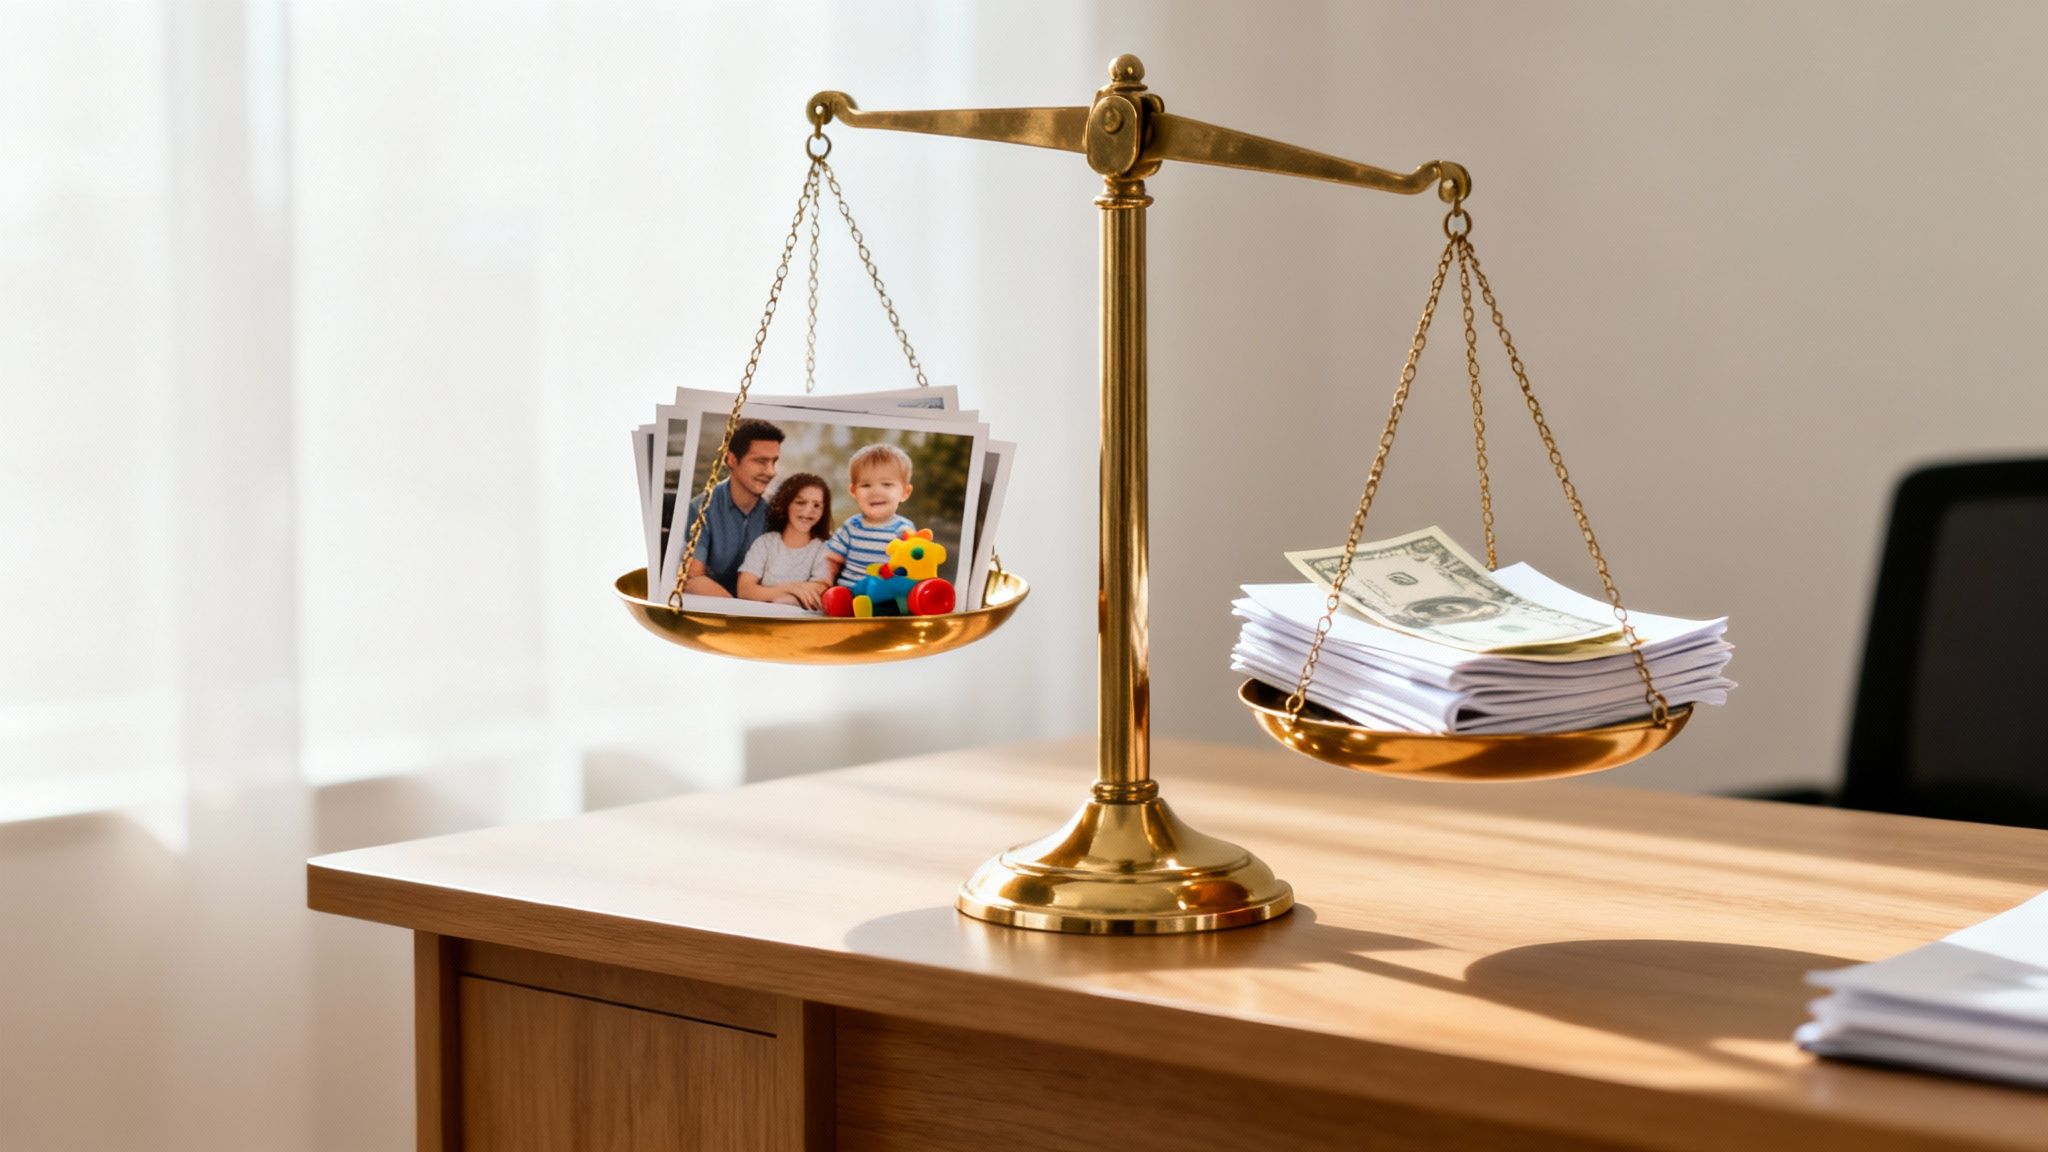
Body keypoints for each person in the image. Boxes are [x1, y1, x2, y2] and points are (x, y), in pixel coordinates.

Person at [682, 419, 784, 597]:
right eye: (761, 461)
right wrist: (739, 613)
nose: (771, 472)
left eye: (774, 462)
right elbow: (693, 579)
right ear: (732, 460)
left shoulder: (775, 513)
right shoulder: (701, 508)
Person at [735, 473, 838, 610]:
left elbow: (818, 590)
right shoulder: (766, 543)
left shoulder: (824, 549)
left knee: (787, 600)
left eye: (817, 505)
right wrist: (793, 588)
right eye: (800, 502)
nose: (808, 511)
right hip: (760, 621)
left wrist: (781, 596)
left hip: (800, 625)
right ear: (786, 504)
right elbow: (744, 590)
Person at [826, 443, 917, 589]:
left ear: (905, 492)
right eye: (866, 485)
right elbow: (832, 560)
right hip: (850, 593)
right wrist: (824, 582)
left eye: (887, 484)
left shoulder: (904, 530)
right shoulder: (850, 527)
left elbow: (913, 565)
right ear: (854, 491)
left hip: (885, 595)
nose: (876, 492)